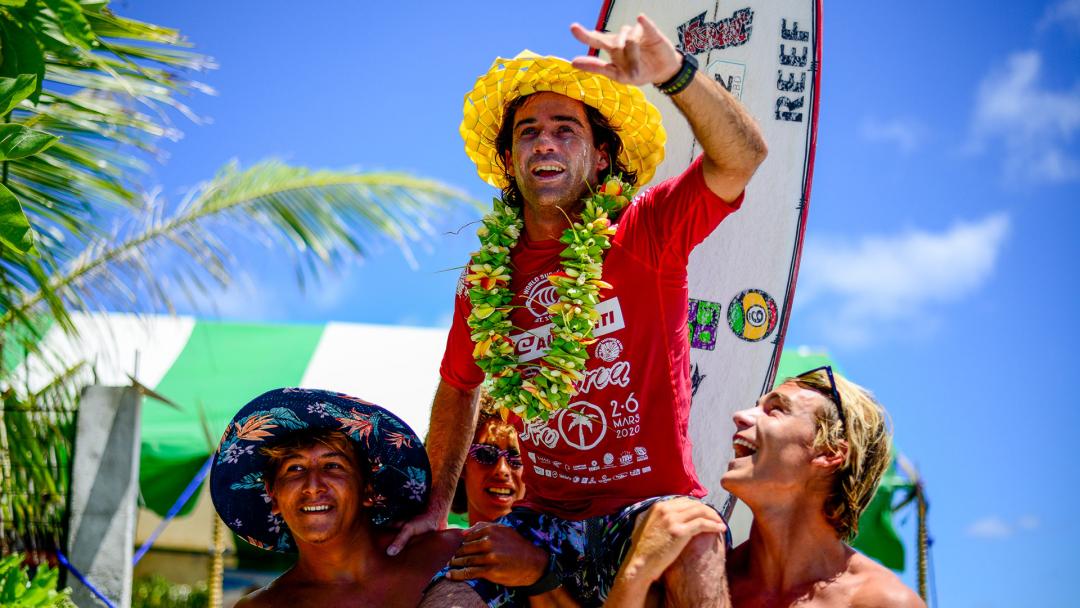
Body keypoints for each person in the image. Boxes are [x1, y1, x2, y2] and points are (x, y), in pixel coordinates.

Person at [399, 13, 767, 608]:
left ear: (601, 159)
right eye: (527, 132)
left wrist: (673, 72)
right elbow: (458, 386)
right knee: (448, 599)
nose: (543, 141)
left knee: (696, 539)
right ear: (511, 165)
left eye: (565, 129)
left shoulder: (646, 230)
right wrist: (437, 509)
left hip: (650, 509)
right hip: (538, 520)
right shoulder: (486, 280)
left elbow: (742, 159)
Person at [605, 368, 926, 608]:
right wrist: (636, 571)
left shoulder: (879, 600)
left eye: (775, 409)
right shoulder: (697, 571)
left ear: (828, 453)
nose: (740, 416)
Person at [209, 388, 464, 608]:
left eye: (332, 466)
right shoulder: (265, 606)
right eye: (295, 469)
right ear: (273, 496)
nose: (313, 485)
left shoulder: (452, 554)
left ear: (368, 489)